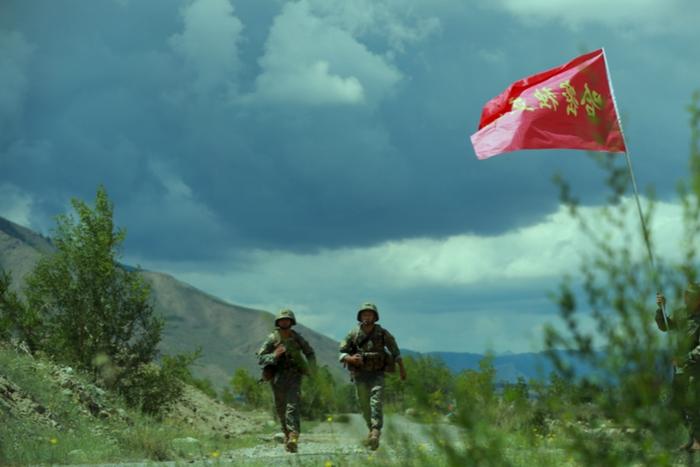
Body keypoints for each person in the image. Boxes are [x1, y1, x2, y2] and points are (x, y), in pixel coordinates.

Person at [339, 302, 407, 450]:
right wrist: (350, 359)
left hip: (378, 374)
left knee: (375, 402)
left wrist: (402, 369)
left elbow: (395, 352)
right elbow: (342, 352)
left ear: (375, 317)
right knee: (364, 405)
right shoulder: (353, 333)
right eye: (364, 314)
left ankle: (376, 432)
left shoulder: (382, 333)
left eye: (370, 314)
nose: (367, 317)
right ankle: (371, 431)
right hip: (360, 374)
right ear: (360, 316)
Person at [257, 308, 316, 453]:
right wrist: (274, 355)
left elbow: (310, 352)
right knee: (281, 409)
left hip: (295, 376)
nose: (285, 322)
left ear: (291, 322)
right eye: (282, 320)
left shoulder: (297, 337)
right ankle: (286, 434)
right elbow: (260, 358)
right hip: (277, 377)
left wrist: (312, 369)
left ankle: (293, 436)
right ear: (278, 322)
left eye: (287, 320)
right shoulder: (272, 338)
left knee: (292, 406)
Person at [655, 283, 700, 451]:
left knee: (694, 405)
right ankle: (692, 438)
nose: (686, 298)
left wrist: (687, 358)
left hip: (696, 368)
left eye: (691, 295)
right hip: (680, 369)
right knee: (676, 404)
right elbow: (664, 326)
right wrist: (661, 309)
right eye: (686, 294)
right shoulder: (681, 314)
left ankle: (698, 441)